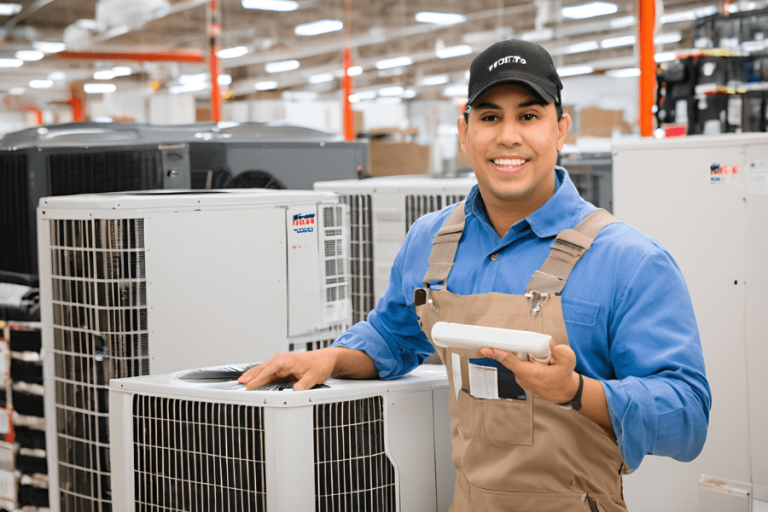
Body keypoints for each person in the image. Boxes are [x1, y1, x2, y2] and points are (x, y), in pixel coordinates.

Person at [239, 39, 711, 511]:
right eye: (489, 117)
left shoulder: (629, 262)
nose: (508, 136)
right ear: (464, 133)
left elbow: (688, 417)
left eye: (528, 116)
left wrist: (575, 391)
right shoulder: (431, 242)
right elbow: (393, 336)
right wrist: (330, 359)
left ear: (561, 130)